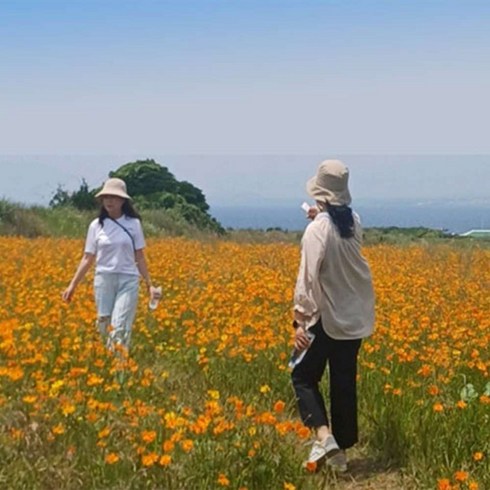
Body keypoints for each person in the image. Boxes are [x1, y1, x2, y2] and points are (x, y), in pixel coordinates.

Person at [291, 159, 375, 472]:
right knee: (342, 381)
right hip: (356, 315)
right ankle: (341, 452)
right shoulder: (353, 221)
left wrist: (300, 321)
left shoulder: (317, 231)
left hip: (328, 317)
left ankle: (324, 437)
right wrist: (321, 217)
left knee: (301, 375)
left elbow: (307, 279)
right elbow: (337, 229)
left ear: (320, 195)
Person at [62, 177, 161, 353]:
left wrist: (149, 285)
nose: (109, 201)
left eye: (114, 197)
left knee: (119, 326)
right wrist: (72, 285)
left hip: (128, 280)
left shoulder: (133, 224)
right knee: (103, 324)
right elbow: (87, 258)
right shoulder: (96, 225)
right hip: (103, 280)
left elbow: (139, 256)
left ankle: (119, 370)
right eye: (106, 197)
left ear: (123, 200)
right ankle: (105, 364)